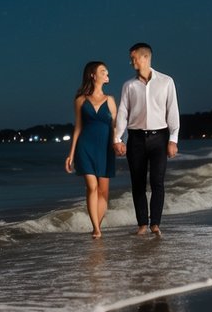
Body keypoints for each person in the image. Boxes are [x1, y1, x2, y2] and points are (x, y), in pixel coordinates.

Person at [114, 43, 179, 236]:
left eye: (133, 57)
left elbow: (172, 111)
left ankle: (155, 224)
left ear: (145, 57)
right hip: (135, 139)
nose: (131, 61)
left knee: (157, 181)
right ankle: (142, 224)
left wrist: (173, 139)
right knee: (138, 183)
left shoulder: (166, 81)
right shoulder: (129, 85)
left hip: (160, 137)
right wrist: (117, 138)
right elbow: (122, 113)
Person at [65, 62, 117, 238]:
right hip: (85, 147)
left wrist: (118, 143)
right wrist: (71, 154)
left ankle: (97, 227)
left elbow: (116, 126)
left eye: (107, 72)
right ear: (93, 75)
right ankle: (96, 229)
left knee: (103, 193)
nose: (106, 74)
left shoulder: (110, 100)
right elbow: (78, 127)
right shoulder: (80, 100)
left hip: (105, 149)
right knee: (92, 187)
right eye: (103, 71)